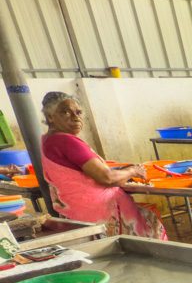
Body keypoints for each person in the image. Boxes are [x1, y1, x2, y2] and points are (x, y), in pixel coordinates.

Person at [39, 92, 167, 239]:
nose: (76, 117)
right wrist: (132, 170)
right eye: (65, 112)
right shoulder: (66, 141)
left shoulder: (48, 141)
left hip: (76, 210)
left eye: (78, 112)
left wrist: (122, 171)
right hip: (98, 212)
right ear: (50, 117)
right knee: (149, 230)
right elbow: (106, 177)